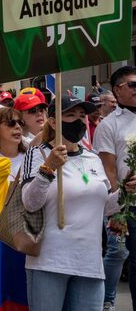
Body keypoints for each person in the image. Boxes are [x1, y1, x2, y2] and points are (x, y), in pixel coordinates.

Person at [22, 94, 133, 311]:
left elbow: (105, 207)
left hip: (90, 263)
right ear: (53, 121)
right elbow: (30, 203)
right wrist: (48, 168)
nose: (79, 120)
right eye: (71, 115)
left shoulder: (93, 158)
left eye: (82, 115)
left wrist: (126, 191)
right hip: (49, 262)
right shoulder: (37, 154)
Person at [94, 66, 136, 310]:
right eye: (133, 84)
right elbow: (108, 170)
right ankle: (107, 298)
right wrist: (117, 210)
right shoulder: (108, 125)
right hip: (130, 206)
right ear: (117, 89)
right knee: (123, 255)